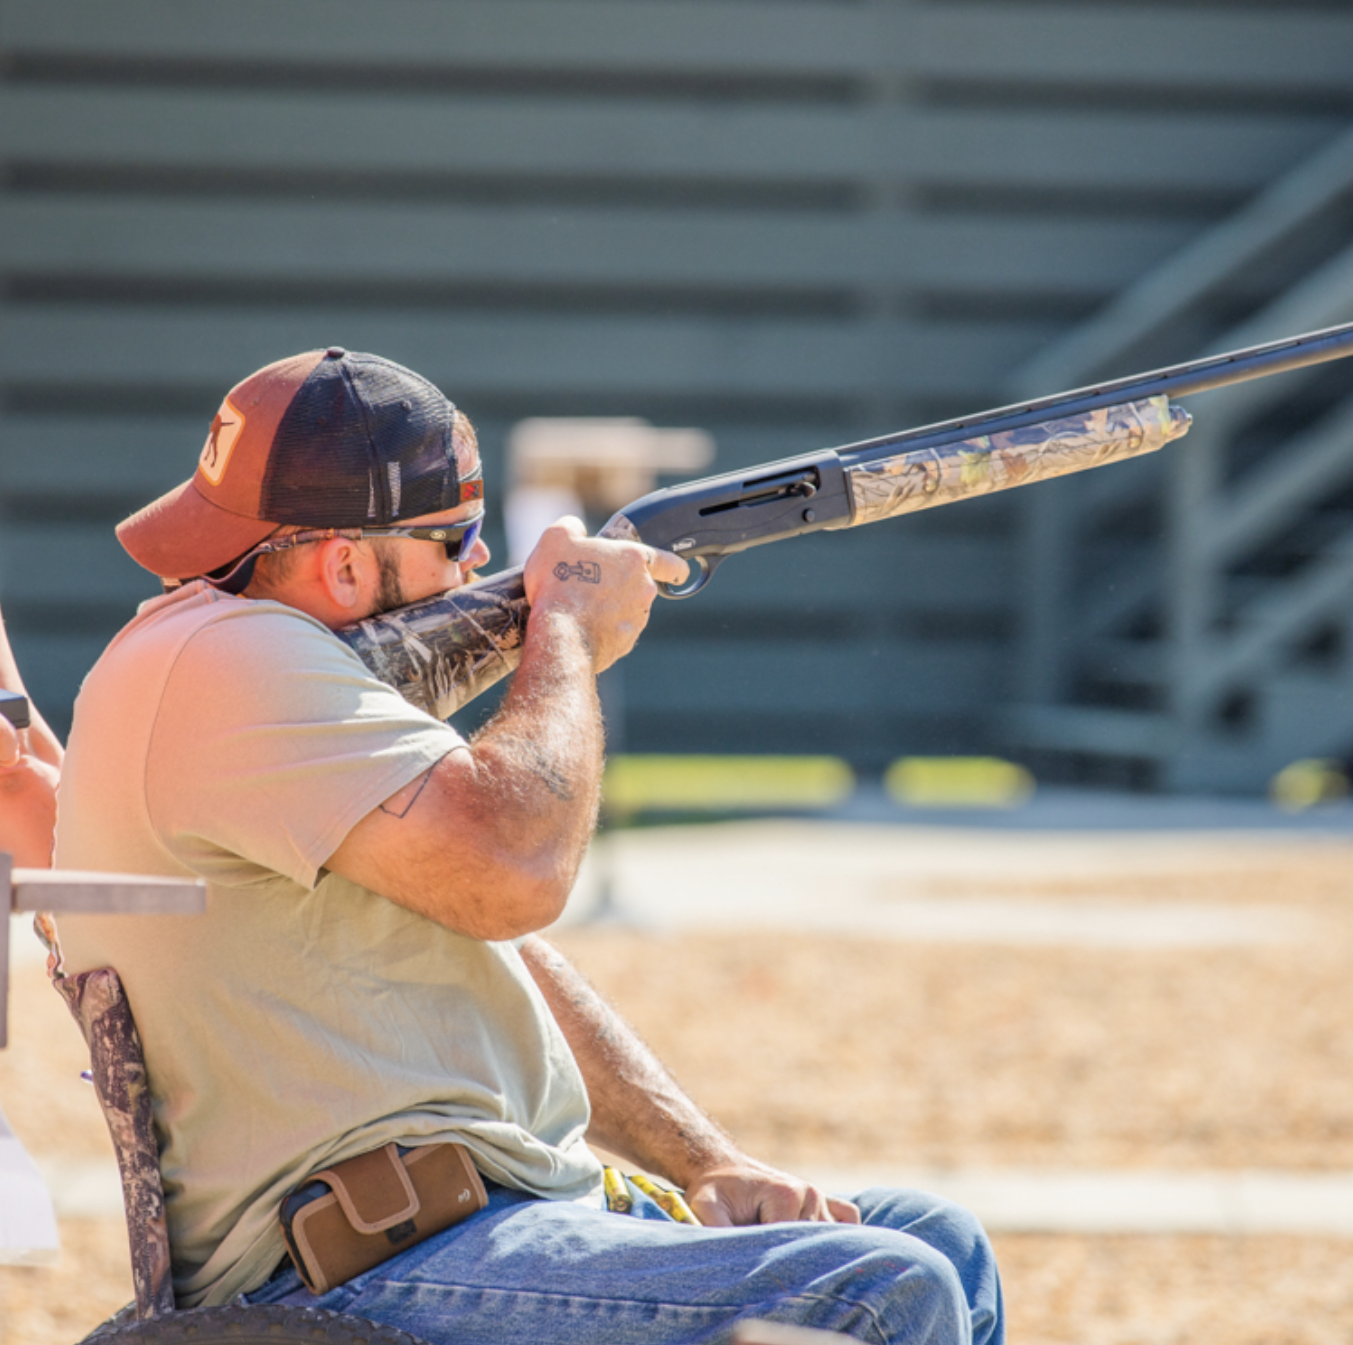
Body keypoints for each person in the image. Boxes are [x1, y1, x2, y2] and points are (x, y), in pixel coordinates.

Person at [54, 348, 1003, 1344]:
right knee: (879, 1287)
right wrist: (563, 633)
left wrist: (706, 1163)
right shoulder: (225, 656)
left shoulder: (267, 682)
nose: (474, 569)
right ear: (341, 564)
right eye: (455, 540)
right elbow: (518, 870)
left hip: (482, 1219)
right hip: (371, 1263)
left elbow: (502, 957)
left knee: (938, 1238)